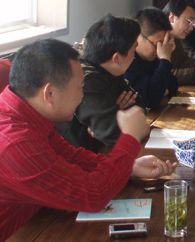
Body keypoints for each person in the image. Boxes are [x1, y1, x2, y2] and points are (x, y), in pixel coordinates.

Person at [0, 39, 176, 240]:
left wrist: (130, 167)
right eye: (80, 87)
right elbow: (93, 195)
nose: (83, 96)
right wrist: (130, 138)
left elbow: (71, 157)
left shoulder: (25, 111)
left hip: (36, 220)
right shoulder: (15, 143)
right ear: (49, 93)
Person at [59, 15, 142, 152]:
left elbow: (138, 105)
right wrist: (119, 113)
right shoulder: (87, 79)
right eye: (134, 50)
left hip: (98, 150)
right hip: (79, 157)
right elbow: (115, 134)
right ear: (117, 58)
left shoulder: (110, 69)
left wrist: (115, 112)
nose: (135, 56)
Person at [125, 7, 178, 109]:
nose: (160, 49)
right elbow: (150, 99)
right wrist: (165, 60)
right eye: (157, 44)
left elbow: (173, 86)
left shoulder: (153, 58)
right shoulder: (127, 60)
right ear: (138, 36)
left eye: (163, 44)